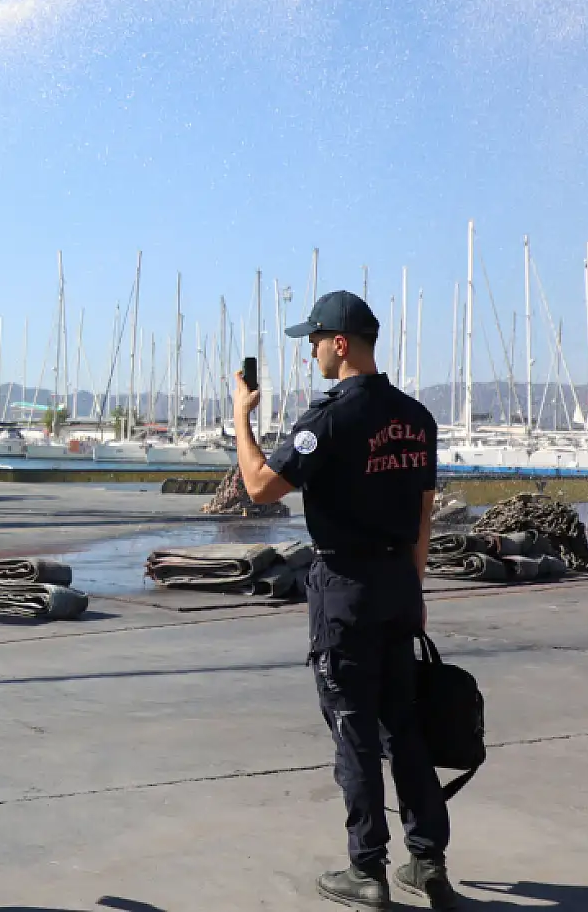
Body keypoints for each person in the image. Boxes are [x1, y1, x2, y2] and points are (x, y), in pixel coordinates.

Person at [232, 291, 457, 910]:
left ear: (340, 343)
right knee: (403, 727)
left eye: (314, 340)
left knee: (354, 730)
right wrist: (415, 590)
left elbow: (258, 487)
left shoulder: (329, 417)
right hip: (397, 587)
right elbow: (422, 514)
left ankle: (367, 870)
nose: (309, 351)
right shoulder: (417, 418)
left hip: (345, 591)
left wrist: (242, 417)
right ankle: (428, 862)